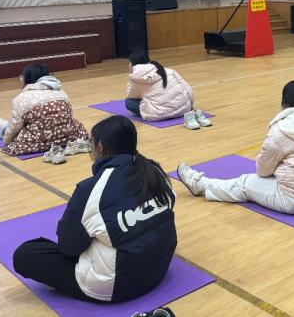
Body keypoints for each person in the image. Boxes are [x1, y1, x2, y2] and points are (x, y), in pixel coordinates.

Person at [13, 115, 177, 303]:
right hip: (159, 268)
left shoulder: (91, 189)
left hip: (118, 286)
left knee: (26, 254)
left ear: (100, 147)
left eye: (91, 142)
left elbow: (68, 247)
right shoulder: (155, 171)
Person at [177, 79, 294, 214]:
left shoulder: (282, 129)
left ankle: (200, 185)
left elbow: (263, 170)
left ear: (285, 102)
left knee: (245, 183)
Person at [0, 63, 89, 159]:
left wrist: (6, 141)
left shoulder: (21, 99)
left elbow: (15, 127)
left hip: (37, 142)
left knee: (13, 129)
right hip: (68, 137)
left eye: (22, 76)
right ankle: (4, 126)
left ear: (28, 78)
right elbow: (68, 116)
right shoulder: (61, 92)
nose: (20, 78)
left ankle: (4, 126)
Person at [125, 51, 207, 128]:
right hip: (183, 109)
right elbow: (187, 88)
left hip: (159, 115)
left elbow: (130, 96)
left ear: (132, 64)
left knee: (129, 102)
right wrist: (190, 105)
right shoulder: (167, 70)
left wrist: (131, 74)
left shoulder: (135, 77)